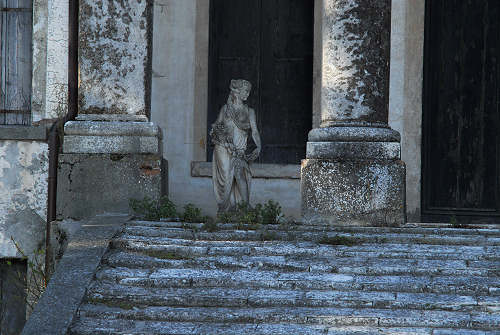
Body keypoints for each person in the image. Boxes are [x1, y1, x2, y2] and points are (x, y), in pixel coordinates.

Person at [210, 79, 261, 213]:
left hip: (240, 149)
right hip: (224, 148)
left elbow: (254, 131)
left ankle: (244, 206)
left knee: (239, 174)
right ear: (237, 92)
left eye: (249, 92)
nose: (248, 94)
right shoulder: (225, 109)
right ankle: (228, 207)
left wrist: (258, 146)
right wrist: (220, 133)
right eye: (246, 91)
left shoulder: (250, 111)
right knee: (227, 177)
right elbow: (216, 126)